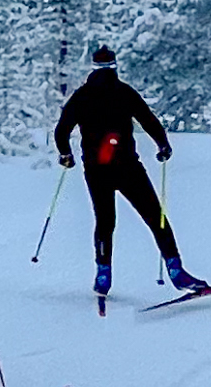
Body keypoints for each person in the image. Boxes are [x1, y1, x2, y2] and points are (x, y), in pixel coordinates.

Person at [53, 46, 202, 295]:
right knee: (156, 218)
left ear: (92, 66)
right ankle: (176, 271)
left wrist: (66, 155)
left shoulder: (82, 96)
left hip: (96, 169)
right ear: (114, 65)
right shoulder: (124, 92)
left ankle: (103, 274)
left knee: (105, 221)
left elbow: (62, 130)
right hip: (127, 167)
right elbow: (149, 120)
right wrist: (163, 145)